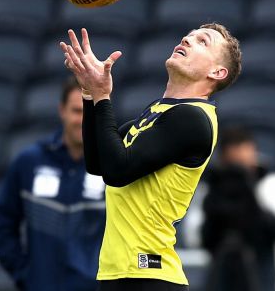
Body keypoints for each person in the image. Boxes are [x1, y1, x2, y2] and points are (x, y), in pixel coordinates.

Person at [58, 23, 242, 291]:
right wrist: (89, 93)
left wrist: (102, 96)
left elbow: (117, 172)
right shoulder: (159, 112)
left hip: (148, 274)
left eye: (203, 41)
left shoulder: (192, 118)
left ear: (217, 72)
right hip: (121, 272)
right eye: (189, 36)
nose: (188, 39)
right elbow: (98, 162)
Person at [0, 77, 106, 291]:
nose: (82, 119)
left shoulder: (112, 165)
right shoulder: (29, 162)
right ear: (62, 110)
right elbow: (2, 223)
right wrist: (24, 273)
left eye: (88, 111)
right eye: (76, 111)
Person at [201, 127, 275, 291]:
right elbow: (196, 236)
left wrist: (258, 209)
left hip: (268, 280)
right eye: (233, 164)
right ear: (223, 159)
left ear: (254, 154)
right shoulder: (210, 190)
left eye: (243, 163)